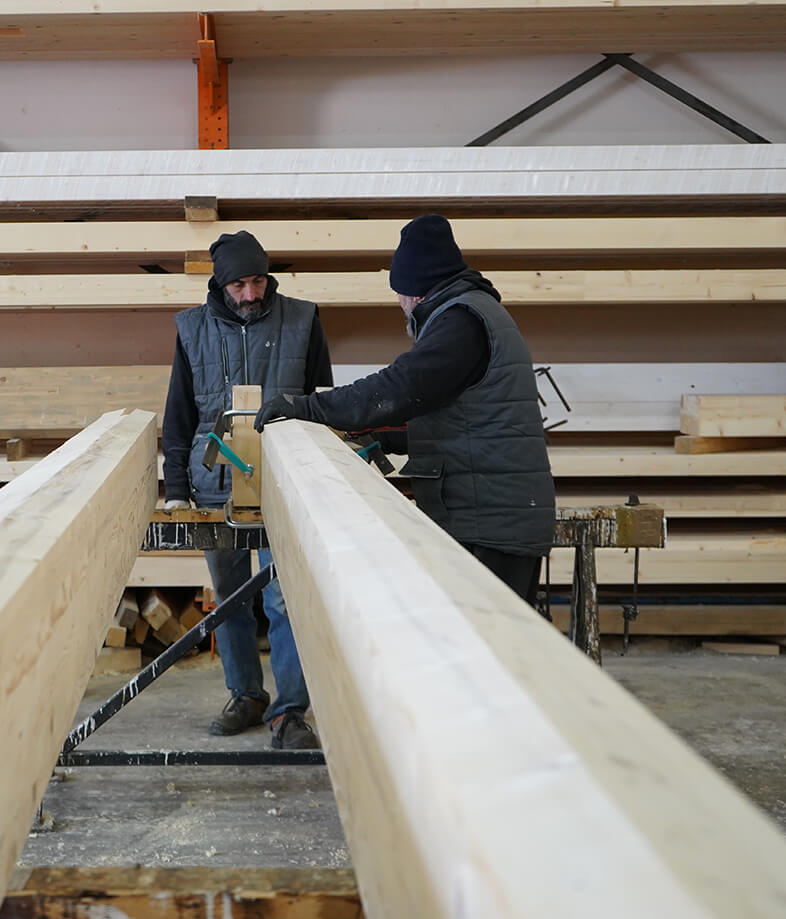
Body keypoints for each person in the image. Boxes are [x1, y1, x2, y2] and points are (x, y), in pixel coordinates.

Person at [254, 214, 555, 607]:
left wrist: (308, 406)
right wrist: (386, 438)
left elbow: (401, 388)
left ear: (415, 291)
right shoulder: (470, 314)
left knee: (491, 656)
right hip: (491, 516)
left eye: (399, 293)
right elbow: (466, 423)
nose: (399, 304)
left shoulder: (461, 322)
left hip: (490, 525)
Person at [162, 230, 332, 749]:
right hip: (216, 485)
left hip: (285, 484)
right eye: (239, 284)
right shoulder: (192, 329)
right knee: (230, 598)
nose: (251, 294)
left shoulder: (302, 319)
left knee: (284, 598)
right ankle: (246, 695)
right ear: (220, 284)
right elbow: (180, 413)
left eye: (258, 281)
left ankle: (289, 713)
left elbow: (325, 400)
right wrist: (176, 487)